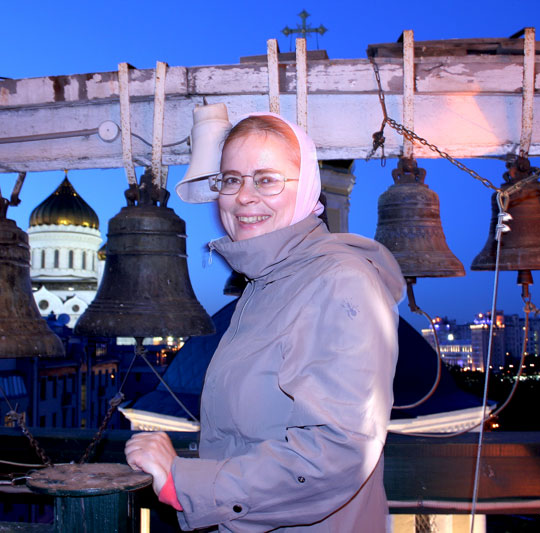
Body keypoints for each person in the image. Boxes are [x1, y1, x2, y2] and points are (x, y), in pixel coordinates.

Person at [125, 111, 404, 532]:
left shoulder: (339, 283)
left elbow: (334, 453)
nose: (243, 197)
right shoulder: (264, 286)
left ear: (306, 187)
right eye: (231, 180)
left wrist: (184, 482)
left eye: (267, 179)